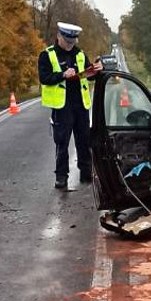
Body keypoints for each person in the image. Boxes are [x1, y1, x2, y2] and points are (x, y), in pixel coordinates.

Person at [38, 22, 103, 189]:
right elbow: (44, 78)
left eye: (73, 42)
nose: (70, 45)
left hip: (80, 105)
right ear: (59, 36)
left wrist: (96, 70)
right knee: (62, 142)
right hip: (62, 106)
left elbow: (89, 75)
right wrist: (62, 75)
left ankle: (86, 174)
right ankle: (61, 177)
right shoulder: (47, 55)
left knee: (84, 140)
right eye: (67, 42)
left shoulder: (80, 54)